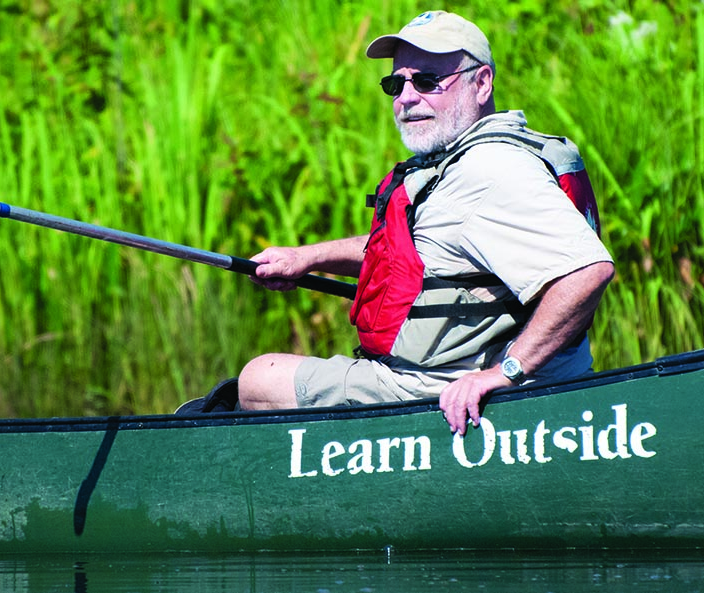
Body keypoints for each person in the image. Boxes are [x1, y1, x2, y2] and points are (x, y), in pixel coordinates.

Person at [237, 11, 614, 435]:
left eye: (428, 81)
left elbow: (587, 271)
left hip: (443, 390)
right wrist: (306, 258)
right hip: (522, 377)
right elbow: (414, 251)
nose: (407, 98)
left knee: (258, 379)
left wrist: (505, 372)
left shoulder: (489, 170)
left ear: (482, 82)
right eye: (396, 84)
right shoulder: (466, 159)